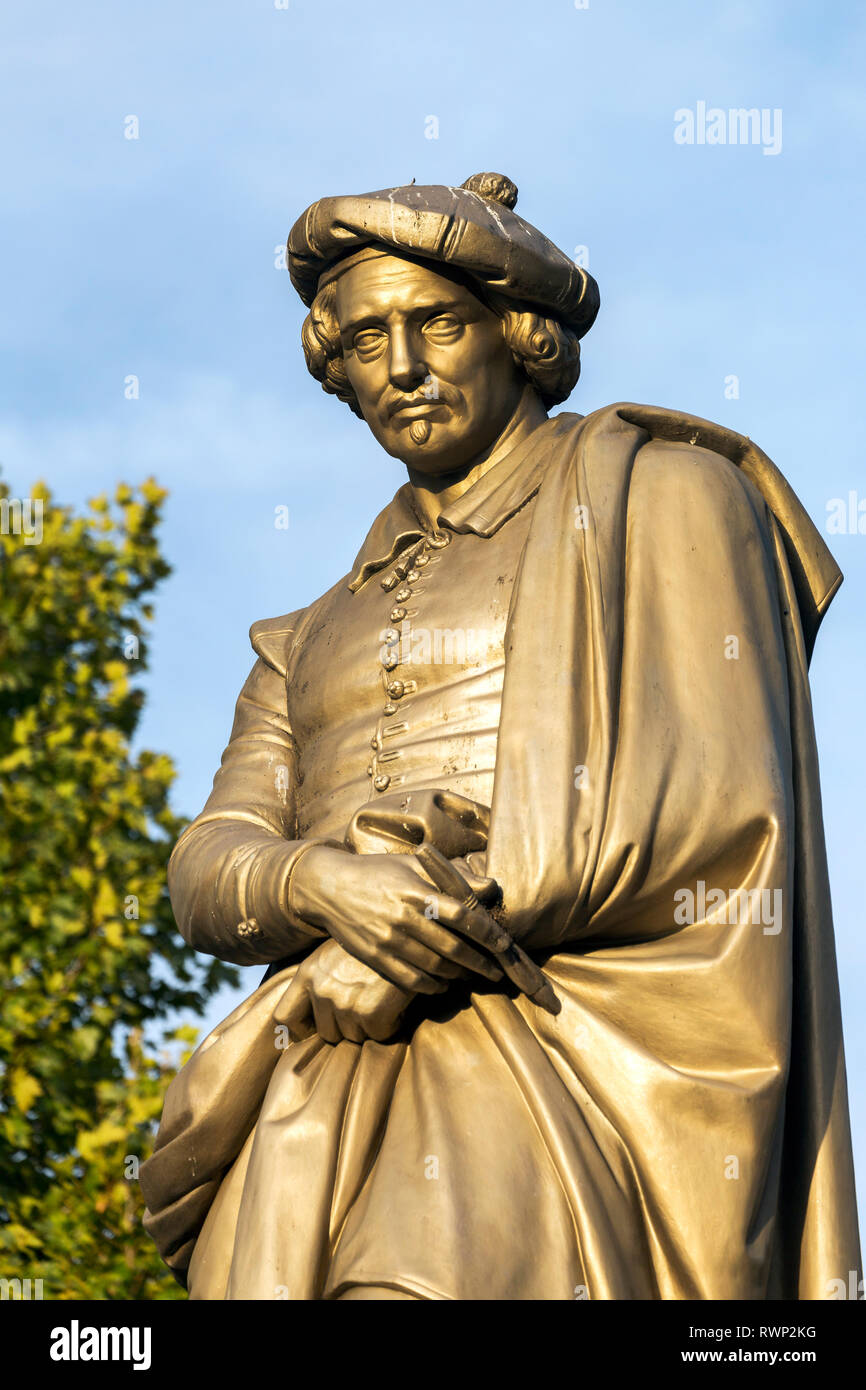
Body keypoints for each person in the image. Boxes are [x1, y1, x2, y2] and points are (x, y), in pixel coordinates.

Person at [141, 172, 860, 1301]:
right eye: (366, 338)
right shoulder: (304, 634)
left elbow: (718, 811)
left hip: (558, 1040)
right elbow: (204, 868)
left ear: (517, 334)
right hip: (320, 1069)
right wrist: (326, 887)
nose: (402, 367)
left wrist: (429, 922)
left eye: (435, 323)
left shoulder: (663, 496)